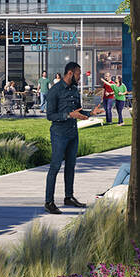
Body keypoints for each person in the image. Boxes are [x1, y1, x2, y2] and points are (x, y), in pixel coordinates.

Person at [43, 61, 90, 214]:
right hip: (59, 134)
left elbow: (78, 110)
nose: (79, 77)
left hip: (72, 133)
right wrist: (68, 115)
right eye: (78, 74)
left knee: (70, 166)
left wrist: (90, 113)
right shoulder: (55, 91)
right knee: (55, 167)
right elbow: (50, 115)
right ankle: (49, 201)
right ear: (70, 73)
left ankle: (68, 197)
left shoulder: (75, 90)